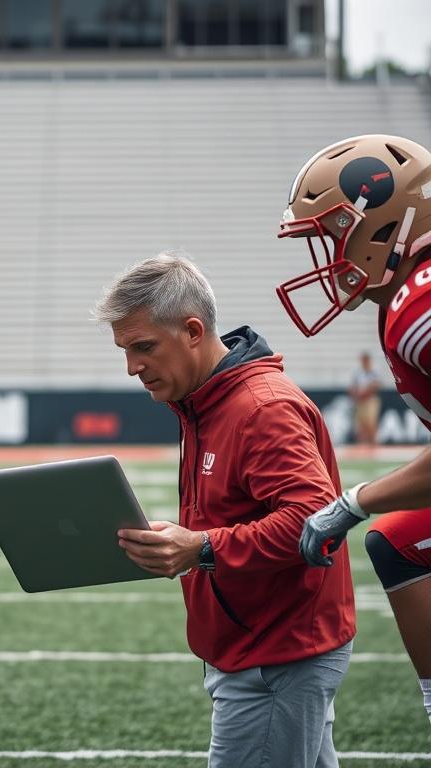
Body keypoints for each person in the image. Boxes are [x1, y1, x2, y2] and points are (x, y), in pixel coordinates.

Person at [95, 253, 356, 768]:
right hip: (262, 646)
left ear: (193, 331)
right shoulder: (205, 400)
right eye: (124, 351)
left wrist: (202, 546)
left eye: (144, 347)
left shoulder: (260, 407)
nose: (132, 367)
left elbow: (317, 522)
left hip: (276, 655)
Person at [279, 134, 431, 726]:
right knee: (398, 543)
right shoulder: (408, 299)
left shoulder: (418, 306)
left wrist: (353, 501)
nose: (327, 256)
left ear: (384, 225)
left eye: (333, 234)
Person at [349, 352, 382, 445]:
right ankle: (362, 445)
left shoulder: (374, 371)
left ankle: (374, 443)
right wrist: (355, 394)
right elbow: (352, 386)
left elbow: (377, 385)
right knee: (360, 424)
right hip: (360, 401)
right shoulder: (357, 372)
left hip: (370, 400)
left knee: (371, 423)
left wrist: (366, 391)